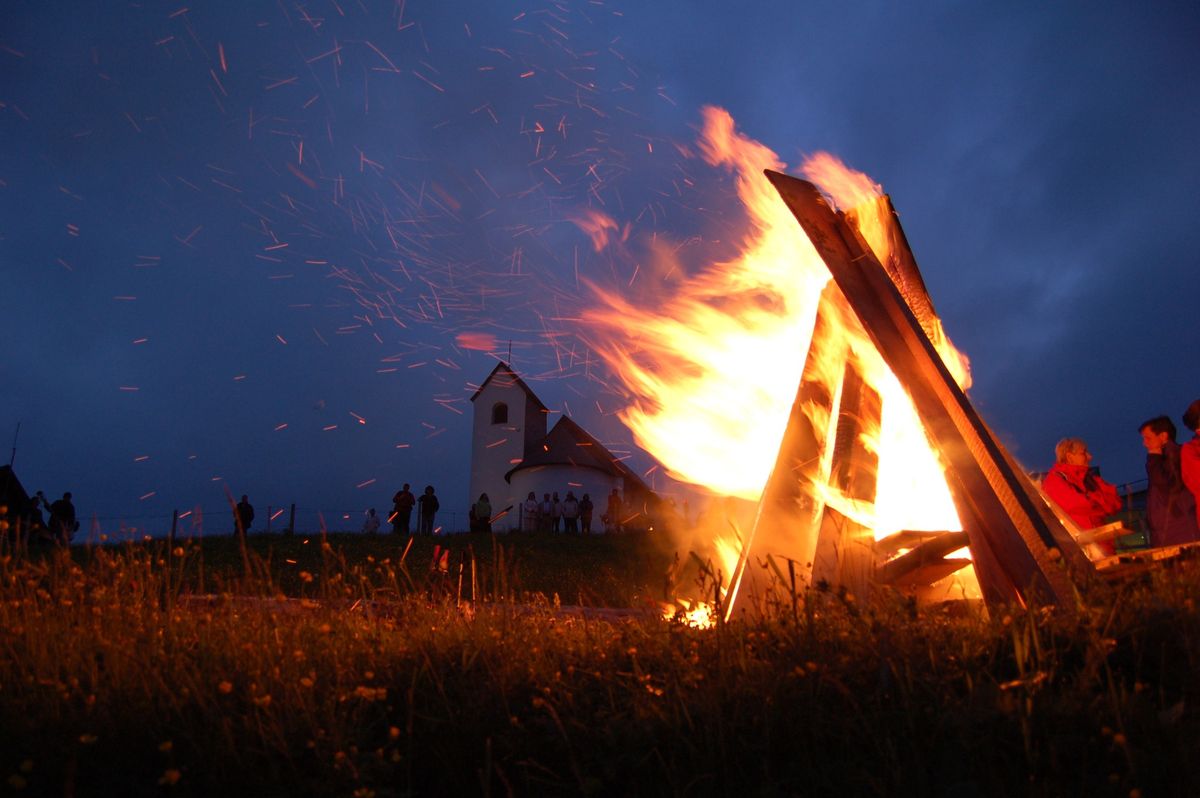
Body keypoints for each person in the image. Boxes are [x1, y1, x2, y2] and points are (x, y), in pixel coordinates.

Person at [1042, 438, 1123, 555]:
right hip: (1080, 551)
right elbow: (1078, 505)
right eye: (1083, 453)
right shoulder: (1055, 480)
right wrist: (1102, 502)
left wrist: (1090, 498)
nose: (1090, 456)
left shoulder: (1090, 479)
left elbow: (1116, 502)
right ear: (1069, 456)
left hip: (1104, 547)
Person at [1138, 416, 1199, 546]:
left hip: (1180, 530)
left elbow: (1165, 484)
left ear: (1163, 436)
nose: (1145, 443)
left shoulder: (1174, 455)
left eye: (1148, 438)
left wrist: (1154, 456)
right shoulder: (1164, 458)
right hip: (1170, 529)